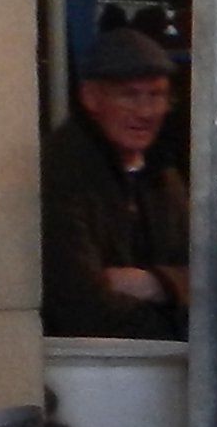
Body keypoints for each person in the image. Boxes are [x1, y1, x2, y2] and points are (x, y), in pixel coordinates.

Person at [42, 26, 192, 339]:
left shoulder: (164, 176)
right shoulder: (62, 172)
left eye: (157, 95)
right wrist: (172, 315)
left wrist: (155, 282)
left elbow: (204, 282)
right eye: (130, 95)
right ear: (90, 97)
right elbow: (79, 303)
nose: (146, 111)